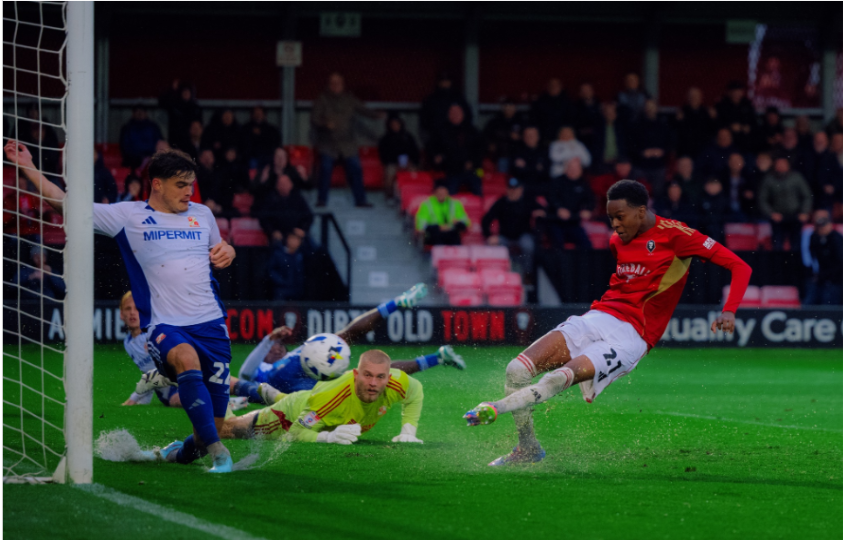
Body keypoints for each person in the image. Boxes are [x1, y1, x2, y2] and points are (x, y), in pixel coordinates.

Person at [463, 179, 752, 466]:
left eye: (620, 216)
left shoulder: (677, 235)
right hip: (598, 317)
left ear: (641, 211)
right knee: (515, 370)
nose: (614, 224)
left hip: (632, 337)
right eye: (610, 217)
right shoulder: (617, 241)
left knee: (557, 378)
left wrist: (729, 310)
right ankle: (527, 448)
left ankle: (493, 409)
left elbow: (740, 266)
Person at [4, 141, 238, 473]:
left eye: (191, 184)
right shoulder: (128, 215)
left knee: (209, 427)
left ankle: (186, 451)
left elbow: (221, 250)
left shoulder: (203, 215)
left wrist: (229, 252)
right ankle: (220, 454)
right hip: (164, 326)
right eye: (181, 184)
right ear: (157, 184)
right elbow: (64, 203)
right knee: (186, 362)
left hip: (212, 325)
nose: (189, 191)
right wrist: (26, 164)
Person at [231, 283, 464, 400]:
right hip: (306, 386)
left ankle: (400, 302)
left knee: (345, 337)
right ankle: (438, 357)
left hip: (304, 365)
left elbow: (243, 378)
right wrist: (266, 341)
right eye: (272, 348)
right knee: (373, 374)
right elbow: (245, 374)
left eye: (278, 347)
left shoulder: (282, 362)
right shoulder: (263, 370)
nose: (275, 348)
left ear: (284, 352)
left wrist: (269, 341)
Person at [218, 351, 425, 445]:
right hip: (290, 415)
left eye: (380, 377)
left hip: (313, 403)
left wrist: (409, 431)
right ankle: (212, 389)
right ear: (355, 374)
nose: (373, 383)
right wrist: (328, 437)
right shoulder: (332, 397)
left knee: (313, 404)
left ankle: (274, 395)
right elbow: (297, 432)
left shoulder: (398, 382)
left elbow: (416, 393)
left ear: (388, 377)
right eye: (367, 375)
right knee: (225, 429)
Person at [312, 72, 382, 208]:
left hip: (347, 144)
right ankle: (322, 200)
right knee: (325, 169)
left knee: (356, 168)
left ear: (342, 85)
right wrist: (325, 123)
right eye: (333, 83)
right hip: (328, 143)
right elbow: (314, 118)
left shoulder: (349, 98)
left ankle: (361, 200)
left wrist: (376, 115)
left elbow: (363, 109)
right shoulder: (322, 99)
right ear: (329, 84)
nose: (336, 85)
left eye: (338, 83)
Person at [119, 292, 180, 407]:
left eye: (137, 308)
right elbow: (148, 371)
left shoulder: (155, 334)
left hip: (177, 381)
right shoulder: (127, 343)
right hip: (165, 393)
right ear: (121, 314)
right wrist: (143, 401)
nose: (132, 312)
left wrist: (134, 398)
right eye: (128, 309)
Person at [481, 177, 545, 276]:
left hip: (523, 235)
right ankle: (498, 274)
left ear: (521, 190)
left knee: (528, 246)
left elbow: (543, 210)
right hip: (505, 237)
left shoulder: (528, 201)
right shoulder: (501, 202)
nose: (513, 191)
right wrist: (489, 235)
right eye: (511, 189)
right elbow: (486, 219)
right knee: (491, 244)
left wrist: (541, 212)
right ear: (507, 189)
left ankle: (528, 274)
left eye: (516, 189)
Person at [758, 156, 813, 251]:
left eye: (783, 164)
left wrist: (804, 212)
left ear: (788, 165)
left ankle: (795, 265)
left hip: (795, 216)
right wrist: (770, 213)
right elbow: (762, 199)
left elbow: (807, 196)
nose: (781, 166)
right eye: (778, 164)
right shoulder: (769, 179)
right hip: (777, 217)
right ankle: (777, 265)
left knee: (796, 246)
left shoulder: (796, 177)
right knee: (777, 245)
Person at [428, 104, 483, 195]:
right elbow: (432, 147)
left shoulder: (472, 131)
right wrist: (436, 156)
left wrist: (473, 162)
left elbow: (480, 149)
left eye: (457, 113)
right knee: (449, 191)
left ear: (462, 114)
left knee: (478, 190)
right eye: (452, 113)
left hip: (471, 170)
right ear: (448, 115)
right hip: (452, 170)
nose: (455, 115)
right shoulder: (442, 131)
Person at [546, 158, 594, 249]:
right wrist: (559, 208)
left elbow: (590, 200)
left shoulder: (583, 184)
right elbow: (551, 197)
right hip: (556, 222)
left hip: (574, 222)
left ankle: (581, 263)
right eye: (571, 168)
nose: (573, 171)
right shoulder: (557, 182)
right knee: (558, 245)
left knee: (587, 245)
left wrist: (587, 209)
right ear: (566, 169)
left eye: (576, 169)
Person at [254, 173, 313, 244]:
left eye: (286, 183)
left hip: (297, 235)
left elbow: (309, 216)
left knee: (316, 248)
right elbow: (264, 218)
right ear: (277, 186)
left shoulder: (297, 198)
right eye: (281, 183)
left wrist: (303, 229)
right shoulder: (270, 199)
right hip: (279, 236)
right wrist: (272, 232)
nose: (283, 186)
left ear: (291, 185)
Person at [420, 72, 473, 144]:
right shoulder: (431, 100)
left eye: (447, 81)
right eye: (443, 81)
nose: (445, 84)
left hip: (456, 138)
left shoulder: (458, 98)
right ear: (438, 83)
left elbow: (467, 117)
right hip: (437, 138)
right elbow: (425, 121)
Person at [630, 100, 671, 191]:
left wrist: (662, 151)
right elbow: (631, 145)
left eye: (652, 107)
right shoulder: (637, 124)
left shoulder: (663, 125)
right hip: (640, 165)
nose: (650, 109)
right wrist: (642, 152)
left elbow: (670, 143)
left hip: (658, 166)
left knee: (658, 193)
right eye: (648, 107)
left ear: (656, 108)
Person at [415, 179, 471, 246]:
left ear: (447, 192)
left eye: (443, 192)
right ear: (435, 192)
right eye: (439, 192)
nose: (441, 194)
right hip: (434, 234)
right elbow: (421, 226)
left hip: (451, 234)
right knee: (435, 235)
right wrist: (438, 227)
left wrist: (458, 222)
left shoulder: (455, 204)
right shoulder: (426, 205)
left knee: (455, 235)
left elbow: (466, 222)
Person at [378, 113, 420, 201]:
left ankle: (412, 194)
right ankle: (389, 196)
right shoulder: (385, 139)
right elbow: (384, 156)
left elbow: (415, 151)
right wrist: (396, 163)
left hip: (408, 163)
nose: (395, 126)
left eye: (397, 124)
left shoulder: (408, 136)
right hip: (393, 163)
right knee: (390, 172)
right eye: (393, 124)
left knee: (414, 173)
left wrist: (411, 161)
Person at [804, 210, 843, 305]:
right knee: (809, 301)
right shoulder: (814, 238)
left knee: (829, 301)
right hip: (821, 276)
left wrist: (827, 275)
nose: (822, 229)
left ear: (829, 225)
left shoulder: (837, 239)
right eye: (819, 227)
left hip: (836, 278)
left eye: (824, 226)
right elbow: (811, 257)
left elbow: (840, 262)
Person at [159, 80, 202, 153]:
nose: (186, 94)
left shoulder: (195, 108)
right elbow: (161, 102)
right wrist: (172, 90)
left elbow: (199, 126)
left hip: (190, 144)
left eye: (188, 92)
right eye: (184, 92)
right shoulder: (174, 106)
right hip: (175, 142)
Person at [483, 98, 524, 173]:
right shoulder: (495, 121)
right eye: (506, 107)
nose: (509, 110)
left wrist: (519, 137)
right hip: (501, 155)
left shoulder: (521, 121)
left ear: (515, 108)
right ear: (503, 108)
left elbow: (526, 137)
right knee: (502, 177)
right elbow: (486, 135)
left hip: (517, 156)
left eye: (511, 107)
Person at [674, 87, 716, 159]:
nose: (694, 98)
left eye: (696, 96)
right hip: (686, 150)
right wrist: (678, 120)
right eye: (691, 96)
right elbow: (677, 132)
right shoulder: (682, 112)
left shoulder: (706, 112)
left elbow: (713, 130)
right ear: (687, 98)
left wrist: (714, 118)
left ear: (701, 98)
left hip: (703, 150)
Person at [715, 81, 756, 152]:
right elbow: (718, 122)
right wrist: (730, 127)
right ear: (729, 93)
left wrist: (746, 127)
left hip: (745, 140)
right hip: (728, 139)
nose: (736, 94)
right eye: (734, 92)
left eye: (739, 92)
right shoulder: (722, 105)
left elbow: (753, 121)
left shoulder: (747, 104)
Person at [530, 78, 575, 143]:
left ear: (560, 86)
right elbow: (536, 120)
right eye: (551, 85)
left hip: (564, 139)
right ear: (548, 87)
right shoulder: (541, 102)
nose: (554, 87)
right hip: (546, 140)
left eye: (556, 85)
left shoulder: (567, 102)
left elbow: (571, 121)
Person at [510, 125, 550, 198]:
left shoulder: (544, 151)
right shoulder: (517, 151)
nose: (530, 138)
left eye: (532, 135)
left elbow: (545, 172)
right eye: (527, 135)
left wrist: (525, 167)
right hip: (523, 185)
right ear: (523, 137)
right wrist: (535, 168)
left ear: (538, 137)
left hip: (540, 185)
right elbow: (515, 171)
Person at [592, 102, 628, 171]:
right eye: (607, 113)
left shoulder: (621, 128)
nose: (610, 115)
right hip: (603, 163)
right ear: (604, 114)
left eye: (612, 112)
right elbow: (596, 147)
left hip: (619, 162)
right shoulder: (599, 129)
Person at [573, 83, 602, 157]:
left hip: (598, 141)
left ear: (592, 91)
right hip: (582, 141)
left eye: (588, 90)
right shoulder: (575, 107)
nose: (586, 92)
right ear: (580, 93)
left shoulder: (600, 106)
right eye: (583, 90)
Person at [697, 177, 729, 243]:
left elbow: (727, 216)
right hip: (705, 230)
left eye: (715, 184)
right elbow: (698, 216)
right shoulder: (701, 199)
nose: (712, 187)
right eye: (710, 184)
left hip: (720, 231)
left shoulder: (724, 200)